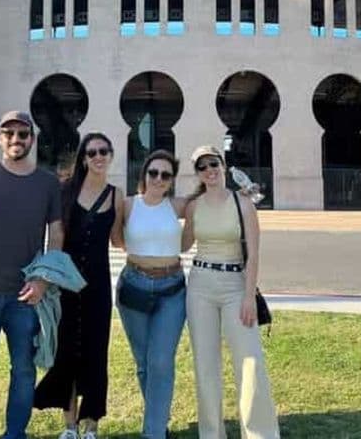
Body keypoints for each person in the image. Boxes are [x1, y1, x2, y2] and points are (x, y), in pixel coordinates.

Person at [0, 110, 64, 439]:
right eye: (9, 133)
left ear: (32, 138)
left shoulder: (47, 183)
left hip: (26, 295)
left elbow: (56, 234)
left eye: (23, 133)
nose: (16, 139)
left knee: (23, 370)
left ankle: (15, 433)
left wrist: (44, 279)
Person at [182, 145, 279, 439]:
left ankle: (260, 432)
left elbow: (254, 255)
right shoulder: (194, 206)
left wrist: (249, 296)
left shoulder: (243, 204)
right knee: (205, 364)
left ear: (223, 166)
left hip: (235, 285)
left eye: (213, 164)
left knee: (249, 360)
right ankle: (212, 433)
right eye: (202, 167)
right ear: (197, 173)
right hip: (200, 285)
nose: (209, 170)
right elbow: (183, 245)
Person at [34, 133, 124, 439]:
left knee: (96, 353)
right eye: (92, 152)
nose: (98, 157)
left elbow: (118, 239)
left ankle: (91, 425)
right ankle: (70, 425)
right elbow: (54, 235)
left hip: (98, 286)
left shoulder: (117, 195)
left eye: (103, 151)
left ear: (110, 155)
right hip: (67, 285)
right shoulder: (66, 192)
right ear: (84, 159)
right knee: (67, 352)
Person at [115, 149, 188, 439]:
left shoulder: (179, 206)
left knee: (161, 361)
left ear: (171, 181)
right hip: (134, 285)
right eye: (153, 172)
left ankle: (153, 433)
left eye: (165, 175)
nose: (158, 178)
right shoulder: (128, 205)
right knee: (144, 363)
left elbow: (210, 206)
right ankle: (159, 424)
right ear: (144, 175)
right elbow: (116, 238)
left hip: (172, 289)